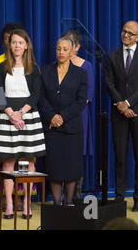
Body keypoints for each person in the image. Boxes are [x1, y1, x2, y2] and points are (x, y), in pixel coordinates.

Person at [0, 29, 46, 219]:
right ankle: (9, 204)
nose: (16, 45)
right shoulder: (1, 67)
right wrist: (11, 114)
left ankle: (26, 204)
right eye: (13, 42)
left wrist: (21, 113)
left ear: (26, 46)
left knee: (29, 161)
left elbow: (35, 96)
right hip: (6, 117)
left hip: (28, 117)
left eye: (20, 42)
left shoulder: (33, 68)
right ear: (10, 45)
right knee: (8, 162)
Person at [105, 21, 138, 212]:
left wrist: (128, 103)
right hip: (119, 114)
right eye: (124, 31)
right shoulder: (112, 56)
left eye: (130, 33)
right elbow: (109, 83)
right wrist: (122, 105)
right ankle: (119, 197)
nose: (125, 35)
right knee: (120, 157)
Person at [39, 36, 88, 206]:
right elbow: (41, 98)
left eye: (65, 49)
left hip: (72, 129)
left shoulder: (81, 73)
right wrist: (52, 116)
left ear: (72, 50)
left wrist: (62, 117)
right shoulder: (45, 71)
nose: (61, 52)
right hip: (51, 128)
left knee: (71, 167)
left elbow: (81, 101)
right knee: (54, 167)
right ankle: (57, 205)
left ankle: (69, 203)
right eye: (58, 48)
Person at [63, 30, 94, 201]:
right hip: (59, 116)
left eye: (69, 44)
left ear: (77, 47)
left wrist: (68, 111)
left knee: (77, 153)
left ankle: (76, 194)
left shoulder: (86, 66)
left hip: (79, 116)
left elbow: (87, 96)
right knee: (61, 152)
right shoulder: (57, 64)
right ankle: (60, 195)